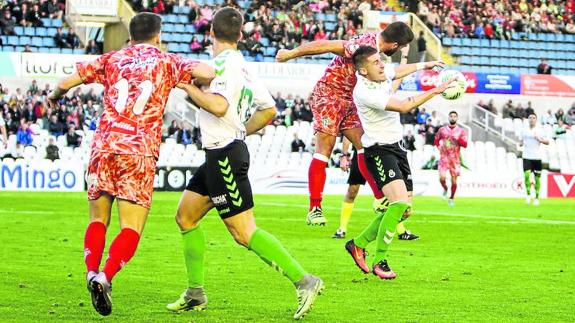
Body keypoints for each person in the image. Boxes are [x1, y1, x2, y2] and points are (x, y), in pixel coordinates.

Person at [46, 12, 214, 316]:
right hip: (138, 150)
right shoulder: (167, 61)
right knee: (131, 227)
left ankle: (90, 272)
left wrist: (54, 95)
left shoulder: (112, 58)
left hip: (105, 145)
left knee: (98, 220)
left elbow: (66, 81)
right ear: (158, 35)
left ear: (131, 34)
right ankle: (105, 277)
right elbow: (207, 72)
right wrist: (185, 80)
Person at [166, 7, 323, 320]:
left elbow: (220, 107)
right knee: (185, 217)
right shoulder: (245, 68)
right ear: (240, 36)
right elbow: (269, 111)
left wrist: (187, 87)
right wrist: (241, 130)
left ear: (210, 33)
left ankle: (305, 281)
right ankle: (195, 293)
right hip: (219, 153)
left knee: (243, 232)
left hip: (224, 155)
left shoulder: (221, 66)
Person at [276, 22, 443, 225]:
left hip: (351, 100)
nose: (398, 51)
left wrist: (423, 66)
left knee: (364, 145)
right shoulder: (362, 45)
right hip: (330, 95)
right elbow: (327, 45)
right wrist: (291, 54)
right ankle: (315, 208)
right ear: (394, 44)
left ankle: (379, 197)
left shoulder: (376, 55)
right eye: (399, 47)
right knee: (325, 149)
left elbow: (394, 72)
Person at [343, 45, 455, 279]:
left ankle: (359, 243)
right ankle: (380, 260)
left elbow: (399, 71)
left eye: (381, 60)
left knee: (404, 211)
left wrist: (426, 64)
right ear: (363, 71)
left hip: (397, 148)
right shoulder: (364, 92)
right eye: (376, 62)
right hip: (379, 151)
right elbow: (405, 106)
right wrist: (437, 89)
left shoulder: (379, 75)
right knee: (398, 204)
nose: (382, 64)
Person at [333, 137, 419, 241]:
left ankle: (401, 231)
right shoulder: (357, 121)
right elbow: (348, 133)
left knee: (388, 195)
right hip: (360, 153)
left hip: (379, 151)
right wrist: (344, 155)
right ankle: (342, 229)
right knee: (352, 191)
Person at [434, 111, 468, 207]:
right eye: (451, 116)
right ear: (449, 118)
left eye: (454, 116)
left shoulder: (461, 131)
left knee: (454, 181)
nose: (453, 118)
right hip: (444, 158)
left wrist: (458, 139)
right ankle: (445, 189)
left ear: (457, 118)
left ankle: (452, 198)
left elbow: (465, 145)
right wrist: (438, 147)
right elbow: (436, 140)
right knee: (442, 178)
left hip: (455, 159)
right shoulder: (442, 130)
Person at [520, 113, 549, 206]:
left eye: (533, 118)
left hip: (537, 157)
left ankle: (536, 198)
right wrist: (520, 143)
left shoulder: (540, 130)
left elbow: (547, 142)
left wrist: (539, 139)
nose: (532, 119)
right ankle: (528, 195)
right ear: (528, 119)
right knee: (526, 175)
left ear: (536, 120)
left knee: (537, 179)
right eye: (530, 118)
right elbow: (521, 141)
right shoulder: (524, 130)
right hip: (526, 156)